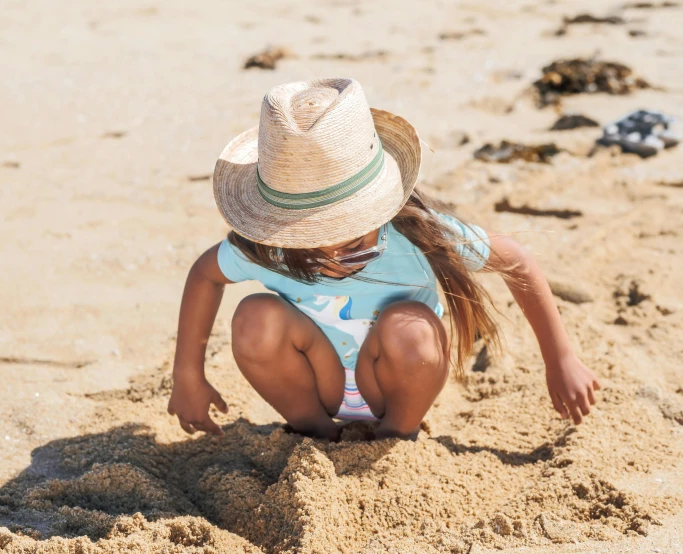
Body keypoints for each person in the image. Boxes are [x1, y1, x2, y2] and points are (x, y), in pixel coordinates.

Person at [167, 78, 600, 441]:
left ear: (379, 208)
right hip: (316, 383)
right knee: (254, 315)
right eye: (313, 243)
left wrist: (559, 358)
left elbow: (516, 259)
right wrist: (187, 373)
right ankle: (315, 433)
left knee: (408, 323)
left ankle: (398, 434)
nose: (335, 253)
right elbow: (206, 275)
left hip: (398, 381)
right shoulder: (272, 248)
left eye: (353, 238)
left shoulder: (419, 237)